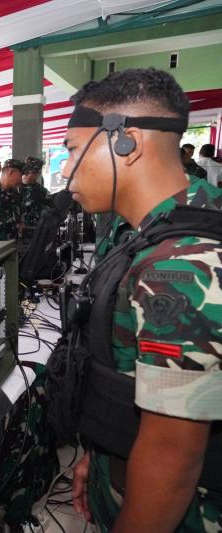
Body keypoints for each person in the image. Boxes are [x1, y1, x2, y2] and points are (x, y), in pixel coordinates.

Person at [53, 68, 221, 533]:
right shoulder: (153, 230)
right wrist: (101, 454)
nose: (65, 169)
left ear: (127, 142)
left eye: (73, 150)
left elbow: (172, 453)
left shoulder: (182, 267)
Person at [19, 157, 50, 230]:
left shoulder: (42, 191)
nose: (38, 175)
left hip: (36, 230)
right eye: (37, 172)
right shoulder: (15, 188)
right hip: (17, 230)